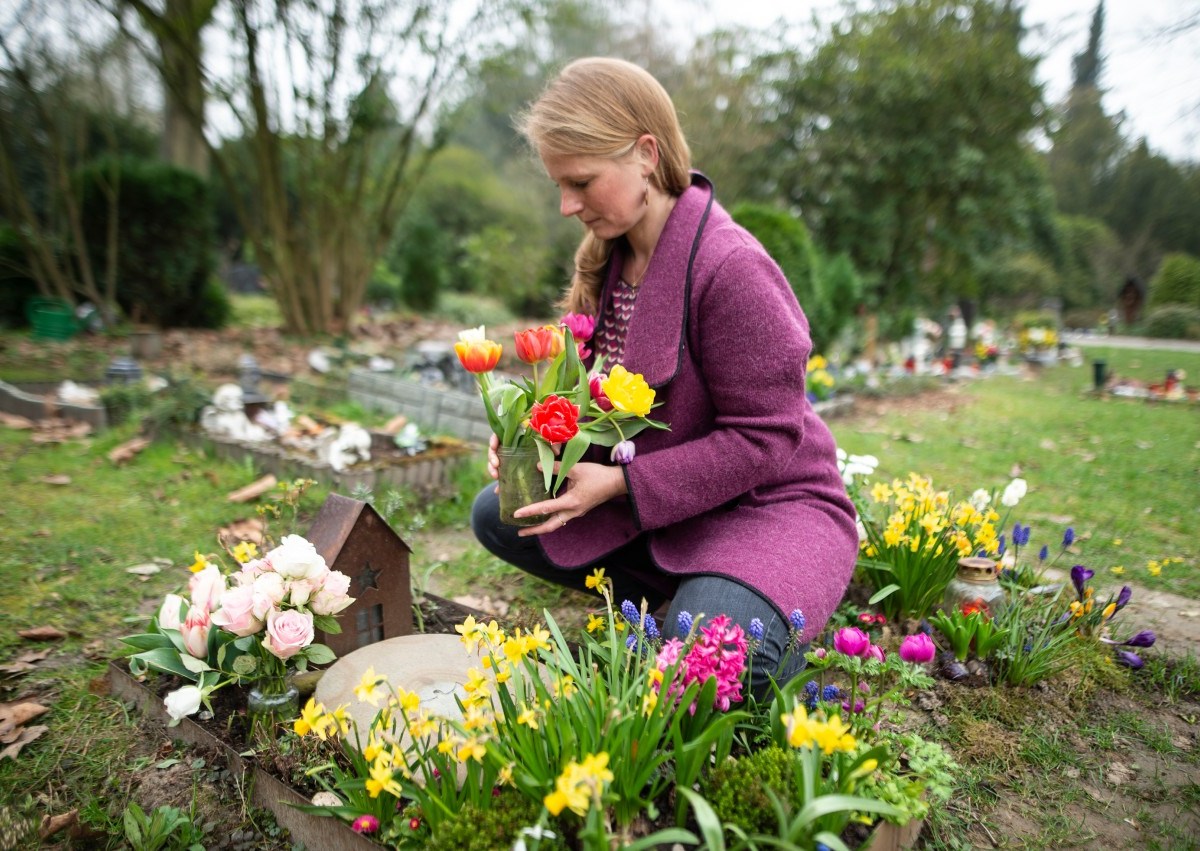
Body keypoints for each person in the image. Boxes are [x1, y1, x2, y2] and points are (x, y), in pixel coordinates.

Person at [470, 57, 858, 691]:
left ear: (646, 154)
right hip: (675, 506)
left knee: (714, 661)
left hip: (770, 506)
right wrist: (538, 440)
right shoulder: (615, 258)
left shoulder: (731, 269)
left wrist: (621, 485)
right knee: (501, 512)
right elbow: (608, 406)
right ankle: (694, 597)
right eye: (558, 185)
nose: (567, 206)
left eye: (581, 182)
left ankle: (733, 603)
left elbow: (766, 439)